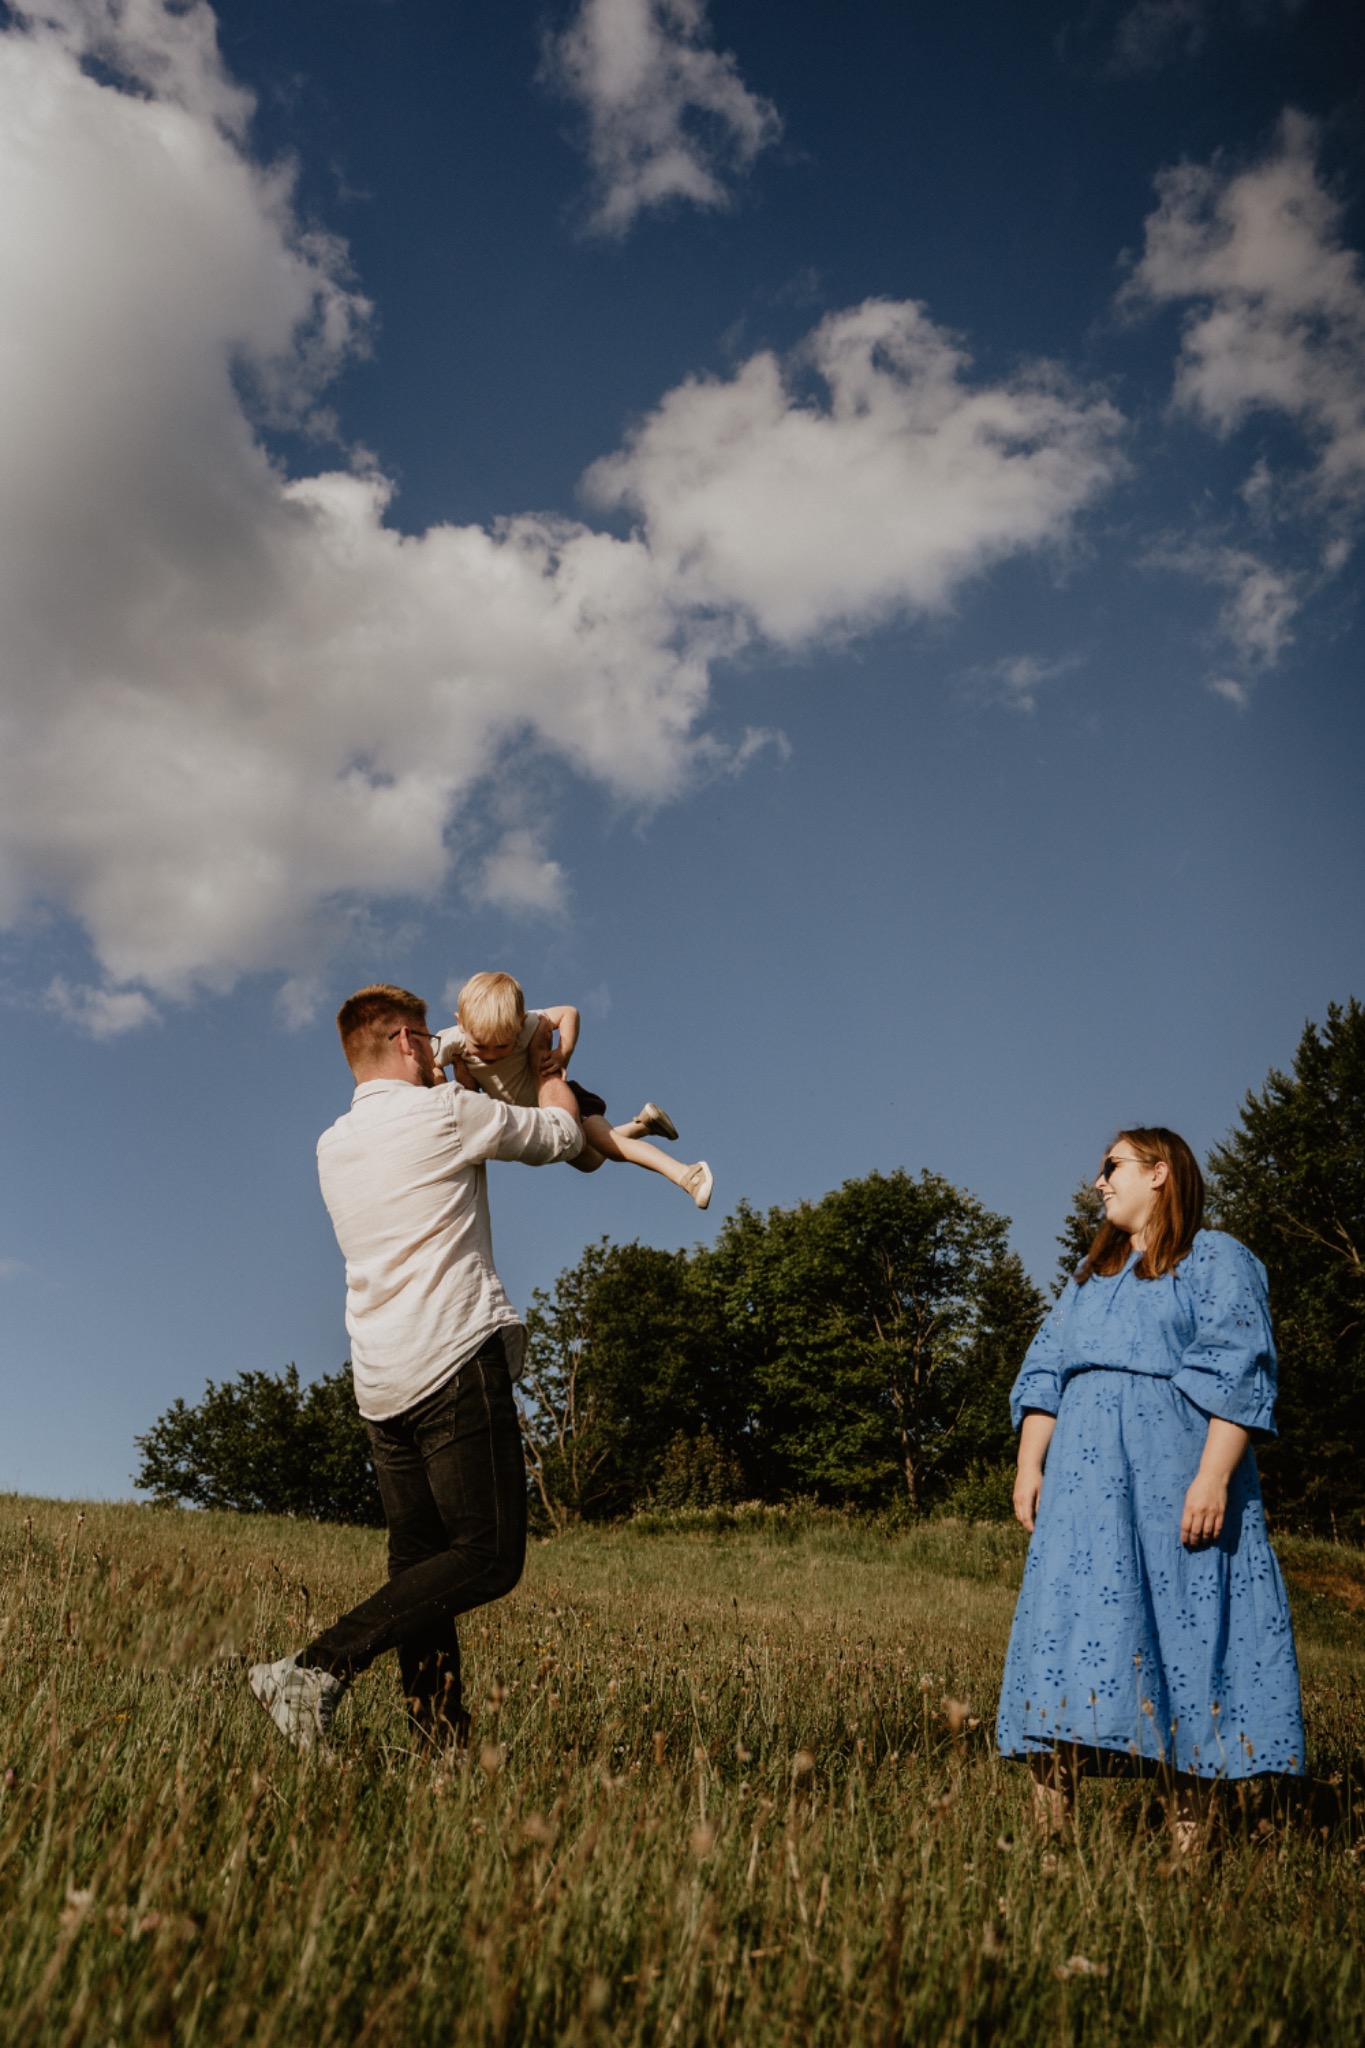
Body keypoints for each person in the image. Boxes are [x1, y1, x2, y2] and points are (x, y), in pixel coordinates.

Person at [248, 982, 584, 1751]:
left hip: (380, 1381)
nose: (439, 1047)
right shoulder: (445, 1115)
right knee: (489, 1557)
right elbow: (563, 1138)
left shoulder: (333, 1143)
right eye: (430, 1036)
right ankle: (314, 1667)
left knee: (421, 1570)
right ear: (405, 1041)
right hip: (452, 1360)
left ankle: (441, 1742)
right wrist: (548, 1064)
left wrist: (458, 1076)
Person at [995, 1126, 1305, 1848]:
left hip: (1173, 1487)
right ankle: (1045, 1846)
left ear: (1160, 1173)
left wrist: (1212, 1476)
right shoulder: (1089, 1276)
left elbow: (1237, 1367)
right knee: (1066, 1642)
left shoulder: (1214, 1259)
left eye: (1111, 1166)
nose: (1098, 1181)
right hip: (1081, 1497)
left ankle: (1188, 1856)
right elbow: (1044, 1373)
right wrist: (1027, 1465)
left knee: (1185, 1644)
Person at [438, 970, 712, 1210]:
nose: (491, 1054)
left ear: (519, 1023)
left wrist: (563, 1052)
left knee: (611, 1148)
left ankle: (687, 1173)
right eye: (481, 1046)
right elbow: (427, 1063)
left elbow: (569, 1012)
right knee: (590, 1161)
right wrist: (441, 1077)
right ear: (460, 1022)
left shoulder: (527, 1023)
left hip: (569, 1103)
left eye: (502, 1047)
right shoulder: (454, 1039)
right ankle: (644, 1124)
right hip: (541, 1119)